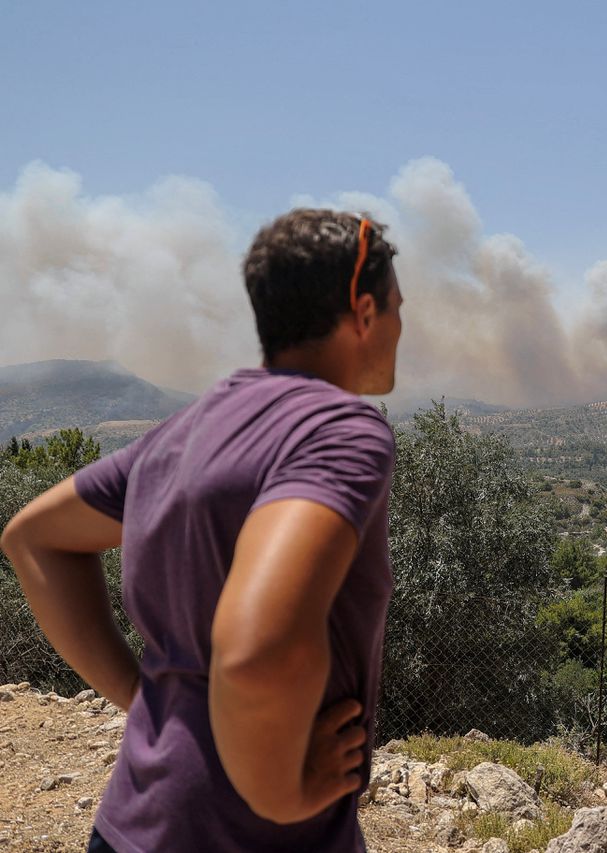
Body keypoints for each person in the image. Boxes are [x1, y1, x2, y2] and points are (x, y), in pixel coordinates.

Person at [1, 209, 404, 852]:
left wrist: (139, 696)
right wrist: (284, 795)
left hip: (128, 823)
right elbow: (254, 647)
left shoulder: (185, 430)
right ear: (363, 313)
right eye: (396, 310)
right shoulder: (339, 429)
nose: (400, 329)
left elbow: (33, 537)